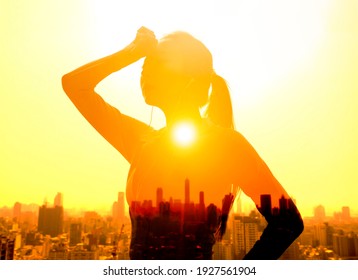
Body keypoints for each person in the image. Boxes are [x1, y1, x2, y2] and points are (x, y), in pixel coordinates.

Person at [62, 27, 304, 260]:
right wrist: (132, 51)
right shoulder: (143, 141)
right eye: (146, 62)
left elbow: (288, 221)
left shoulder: (224, 145)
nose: (144, 68)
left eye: (157, 61)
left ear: (189, 78)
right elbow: (74, 84)